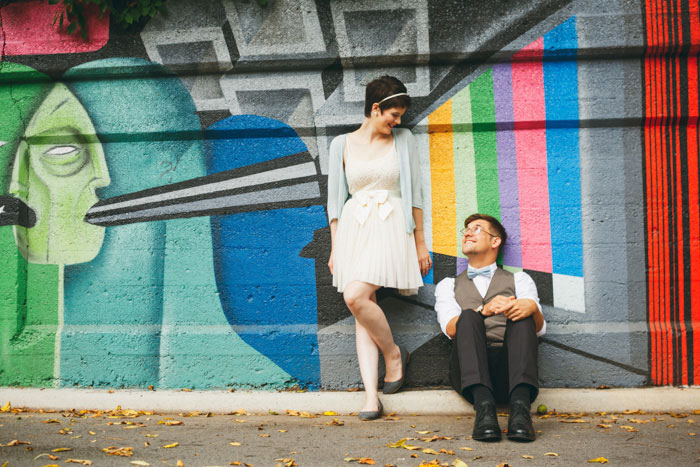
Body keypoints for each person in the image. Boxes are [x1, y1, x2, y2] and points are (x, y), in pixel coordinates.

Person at [327, 75, 431, 420]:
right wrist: (333, 248)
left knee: (355, 297)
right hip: (355, 230)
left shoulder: (404, 140)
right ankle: (371, 396)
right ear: (375, 108)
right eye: (393, 115)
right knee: (362, 307)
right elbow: (334, 203)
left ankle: (393, 354)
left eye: (400, 116)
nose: (397, 122)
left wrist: (420, 244)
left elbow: (414, 194)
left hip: (390, 227)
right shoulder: (340, 145)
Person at [434, 214, 546, 442]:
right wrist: (482, 311)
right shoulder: (448, 285)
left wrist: (532, 308)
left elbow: (539, 331)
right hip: (471, 378)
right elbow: (451, 329)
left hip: (512, 372)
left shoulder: (520, 280)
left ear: (495, 241)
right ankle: (484, 410)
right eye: (466, 229)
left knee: (525, 312)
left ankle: (521, 411)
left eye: (476, 229)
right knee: (467, 315)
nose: (467, 232)